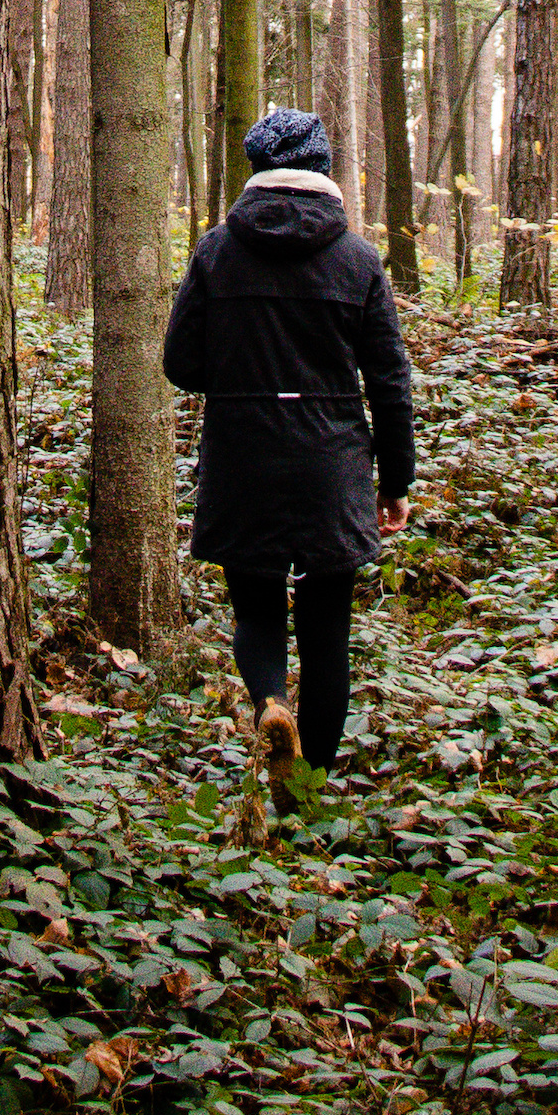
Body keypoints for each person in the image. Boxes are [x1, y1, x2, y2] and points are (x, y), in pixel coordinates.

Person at [160, 107, 415, 789]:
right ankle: (312, 788)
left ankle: (272, 703)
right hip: (331, 463)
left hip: (244, 456)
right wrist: (396, 483)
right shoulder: (359, 260)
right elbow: (390, 382)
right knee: (329, 632)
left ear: (258, 173)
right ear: (324, 171)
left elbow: (181, 363)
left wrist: (243, 378)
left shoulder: (217, 250)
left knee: (257, 609)